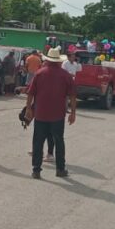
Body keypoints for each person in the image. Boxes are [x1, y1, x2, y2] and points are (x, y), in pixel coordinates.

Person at [25, 47, 76, 179]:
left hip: (41, 114)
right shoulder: (66, 75)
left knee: (38, 141)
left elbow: (31, 93)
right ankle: (60, 169)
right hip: (58, 115)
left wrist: (29, 109)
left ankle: (36, 170)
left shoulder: (40, 73)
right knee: (59, 141)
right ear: (59, 61)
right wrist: (73, 113)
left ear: (47, 60)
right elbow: (72, 96)